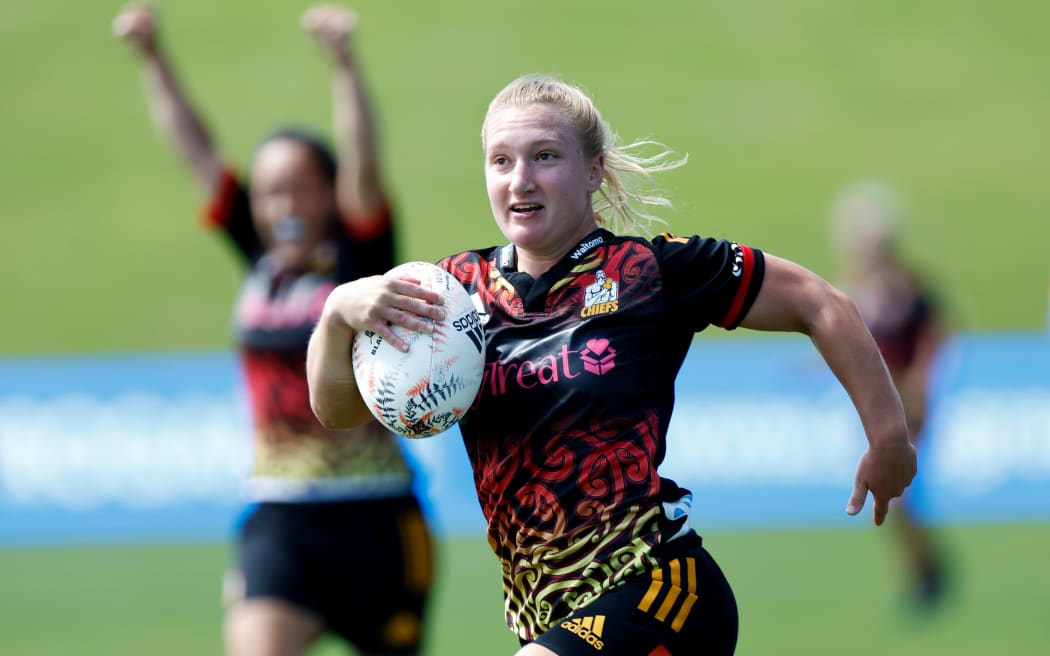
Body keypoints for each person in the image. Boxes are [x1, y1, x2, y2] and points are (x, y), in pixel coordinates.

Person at [306, 74, 916, 656]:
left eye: (545, 156)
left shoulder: (650, 272)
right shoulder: (450, 293)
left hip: (660, 591)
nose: (521, 180)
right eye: (501, 161)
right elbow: (337, 412)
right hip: (552, 620)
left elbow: (820, 302)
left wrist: (888, 437)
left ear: (593, 170)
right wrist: (337, 315)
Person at [113, 5, 434, 655]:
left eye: (298, 189)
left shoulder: (360, 259)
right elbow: (197, 153)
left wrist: (344, 66)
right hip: (280, 518)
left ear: (329, 192)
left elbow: (364, 163)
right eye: (267, 194)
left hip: (379, 516)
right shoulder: (260, 263)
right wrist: (152, 57)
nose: (282, 207)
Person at [829, 181, 950, 608]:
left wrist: (919, 380)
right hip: (881, 401)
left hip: (905, 403)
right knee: (897, 498)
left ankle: (927, 575)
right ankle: (924, 572)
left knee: (898, 495)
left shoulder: (907, 289)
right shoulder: (861, 290)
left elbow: (934, 337)